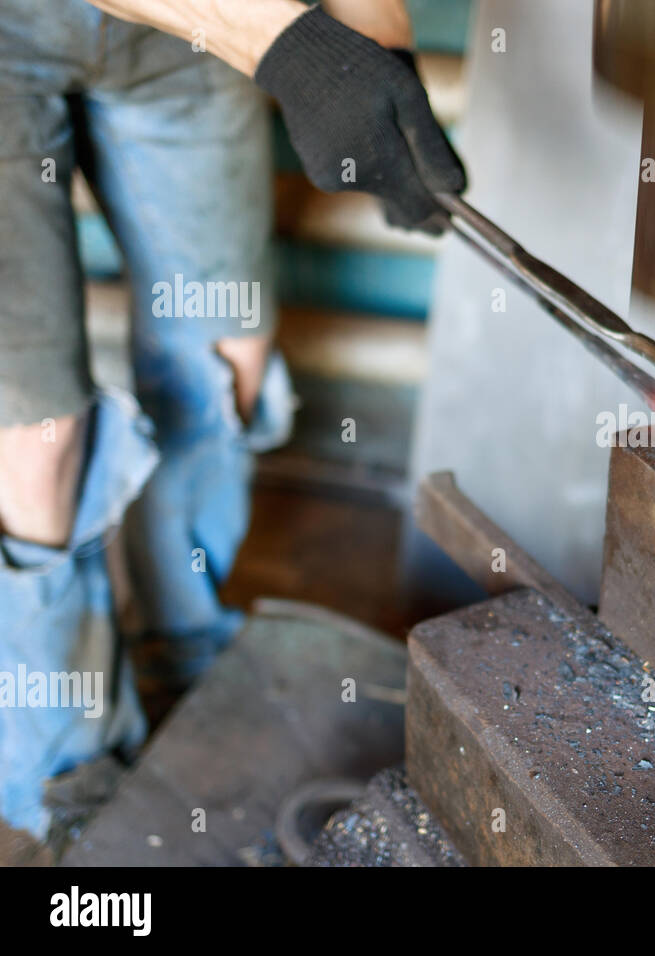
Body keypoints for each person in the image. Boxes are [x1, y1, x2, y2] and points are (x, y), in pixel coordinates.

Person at [0, 0, 466, 840]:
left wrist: (386, 67)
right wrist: (295, 46)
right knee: (36, 437)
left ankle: (186, 658)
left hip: (187, 31)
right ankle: (66, 766)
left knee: (224, 359)